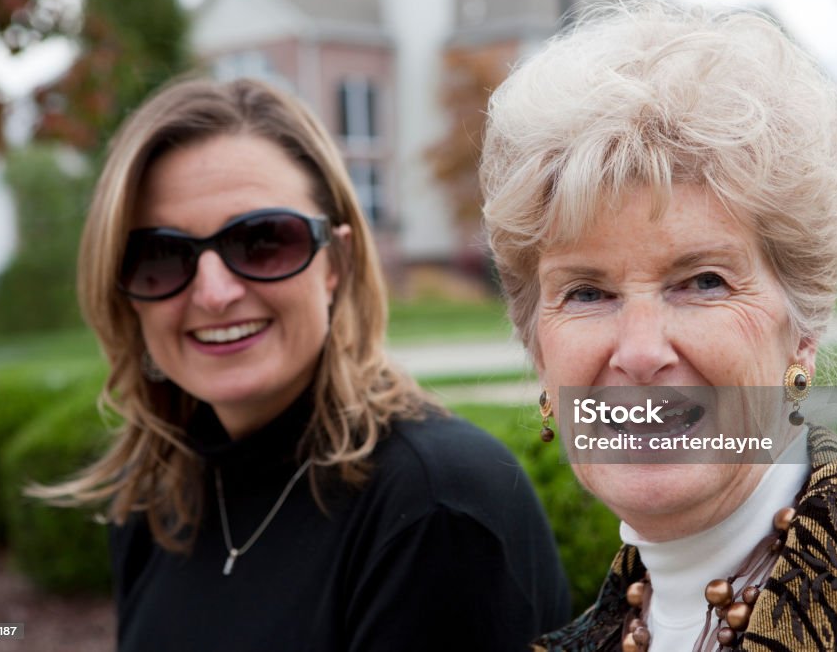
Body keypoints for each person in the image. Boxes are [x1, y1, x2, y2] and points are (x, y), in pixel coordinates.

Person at [479, 0, 837, 652]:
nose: (642, 351)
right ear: (539, 348)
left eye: (703, 282)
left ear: (801, 327)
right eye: (588, 292)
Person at [39, 77, 569, 651]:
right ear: (126, 291)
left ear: (335, 263)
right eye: (161, 256)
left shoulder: (437, 505)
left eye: (262, 240)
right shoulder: (156, 503)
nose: (214, 293)